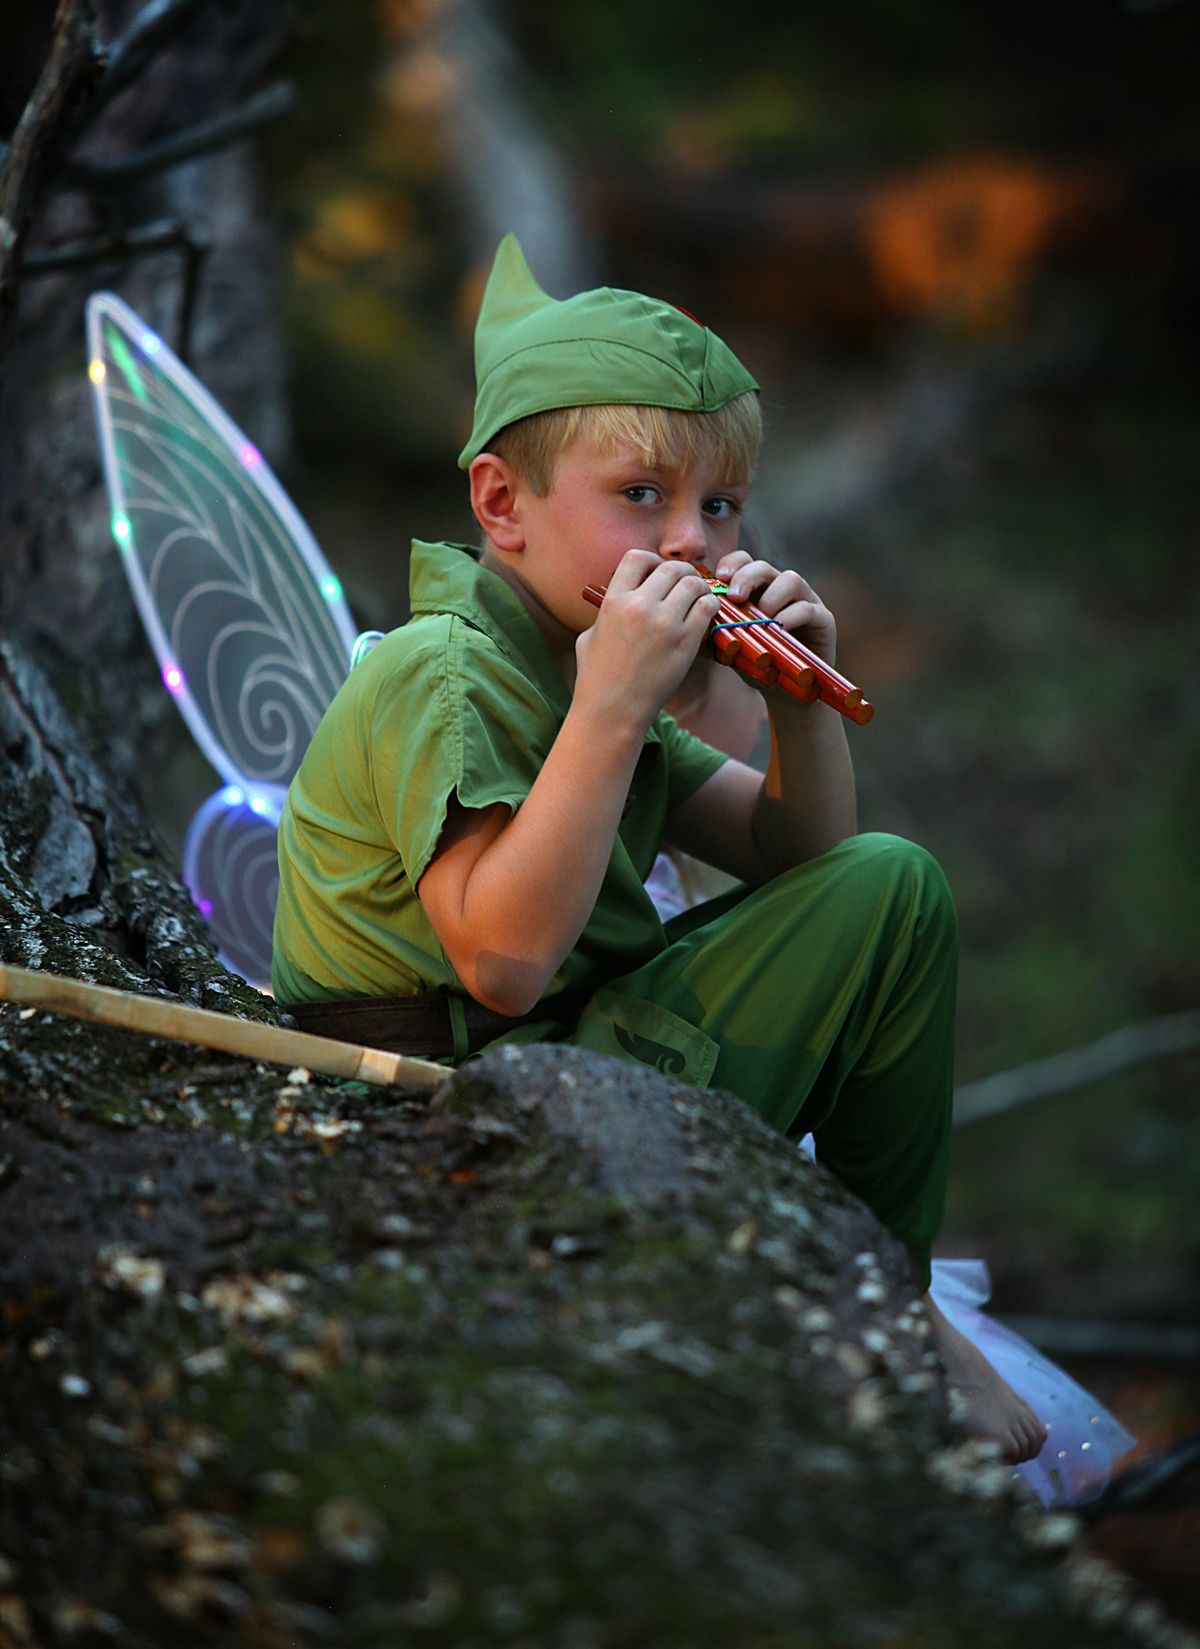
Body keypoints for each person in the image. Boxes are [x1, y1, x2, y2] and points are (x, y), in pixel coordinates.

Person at [273, 234, 1052, 1466]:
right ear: (501, 505)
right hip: (454, 1105)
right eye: (642, 494)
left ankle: (881, 1280)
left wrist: (801, 703)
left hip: (573, 1064)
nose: (692, 539)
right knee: (892, 883)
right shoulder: (447, 672)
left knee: (893, 881)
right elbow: (500, 964)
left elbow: (801, 855)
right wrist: (614, 707)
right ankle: (877, 1298)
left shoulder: (575, 662)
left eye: (720, 504)